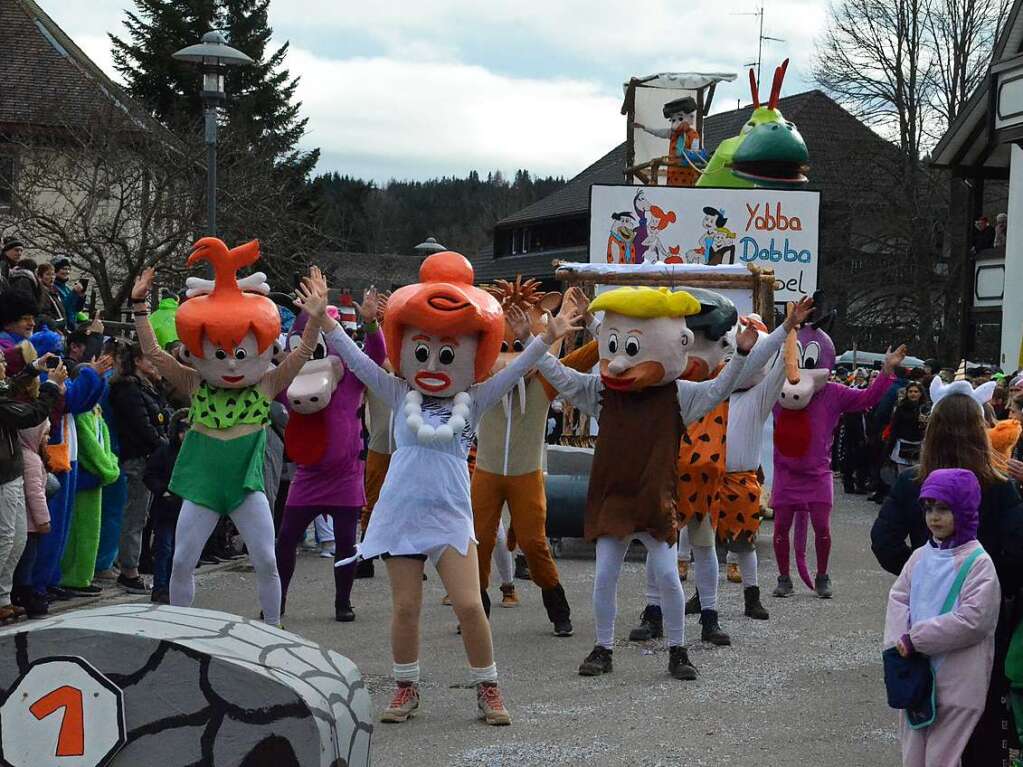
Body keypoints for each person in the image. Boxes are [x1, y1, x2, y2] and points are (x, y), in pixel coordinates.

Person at [314, 254, 578, 727]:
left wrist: (547, 338)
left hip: (451, 513)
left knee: (471, 605)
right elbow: (356, 359)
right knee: (406, 608)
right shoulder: (398, 392)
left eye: (447, 353)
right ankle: (405, 687)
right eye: (422, 351)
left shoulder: (473, 400)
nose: (433, 362)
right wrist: (324, 324)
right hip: (401, 512)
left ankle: (488, 687)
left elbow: (517, 372)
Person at [130, 242, 326, 627]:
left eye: (242, 353)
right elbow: (153, 352)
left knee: (266, 558)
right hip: (203, 488)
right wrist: (139, 308)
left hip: (244, 487)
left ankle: (273, 625)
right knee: (182, 560)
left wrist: (316, 318)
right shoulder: (194, 383)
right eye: (221, 354)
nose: (233, 363)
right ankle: (179, 629)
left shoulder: (266, 385)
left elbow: (303, 353)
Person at [871, 389, 1023, 766]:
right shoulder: (1000, 485)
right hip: (984, 614)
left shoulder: (913, 482)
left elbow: (884, 541)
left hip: (925, 615)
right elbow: (1019, 548)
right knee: (978, 713)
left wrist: (923, 574)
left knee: (923, 712)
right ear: (980, 430)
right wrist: (993, 585)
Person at [884, 468, 1000, 766]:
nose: (934, 517)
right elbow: (898, 598)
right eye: (929, 508)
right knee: (912, 754)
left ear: (964, 509)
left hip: (959, 679)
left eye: (944, 508)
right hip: (916, 674)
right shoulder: (920, 556)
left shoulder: (978, 563)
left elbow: (974, 620)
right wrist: (897, 644)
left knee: (943, 757)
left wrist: (916, 639)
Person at [0, 348, 66, 624]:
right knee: (4, 538)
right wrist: (51, 386)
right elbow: (29, 414)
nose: (4, 365)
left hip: (12, 471)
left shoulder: (2, 390)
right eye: (0, 362)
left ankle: (3, 598)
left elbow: (11, 387)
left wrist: (34, 368)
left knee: (17, 539)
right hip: (2, 476)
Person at [109, 344, 168, 594]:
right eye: (149, 359)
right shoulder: (128, 389)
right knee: (134, 516)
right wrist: (165, 446)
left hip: (148, 458)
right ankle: (129, 571)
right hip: (137, 459)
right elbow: (142, 425)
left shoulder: (148, 387)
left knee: (141, 516)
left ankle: (130, 564)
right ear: (136, 360)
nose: (155, 363)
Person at [143, 410, 188, 604]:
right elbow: (149, 475)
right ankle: (161, 587)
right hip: (167, 508)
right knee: (164, 548)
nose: (186, 435)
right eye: (182, 430)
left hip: (186, 509)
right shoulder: (165, 451)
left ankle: (175, 586)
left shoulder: (195, 454)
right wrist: (163, 491)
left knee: (180, 552)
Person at [13, 419, 52, 618]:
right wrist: (43, 520)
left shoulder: (27, 455)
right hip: (30, 524)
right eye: (45, 434)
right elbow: (35, 493)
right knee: (27, 561)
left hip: (27, 522)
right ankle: (24, 593)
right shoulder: (31, 459)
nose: (48, 438)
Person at [51, 257, 85, 331]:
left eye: (68, 269)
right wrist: (74, 293)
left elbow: (77, 309)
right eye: (63, 269)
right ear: (56, 270)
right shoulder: (53, 288)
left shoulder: (67, 288)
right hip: (61, 328)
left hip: (71, 327)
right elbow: (62, 307)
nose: (67, 271)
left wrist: (81, 297)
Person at [36, 263, 66, 329]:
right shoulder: (41, 292)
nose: (51, 277)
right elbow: (45, 312)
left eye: (53, 274)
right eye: (48, 274)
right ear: (40, 276)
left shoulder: (55, 291)